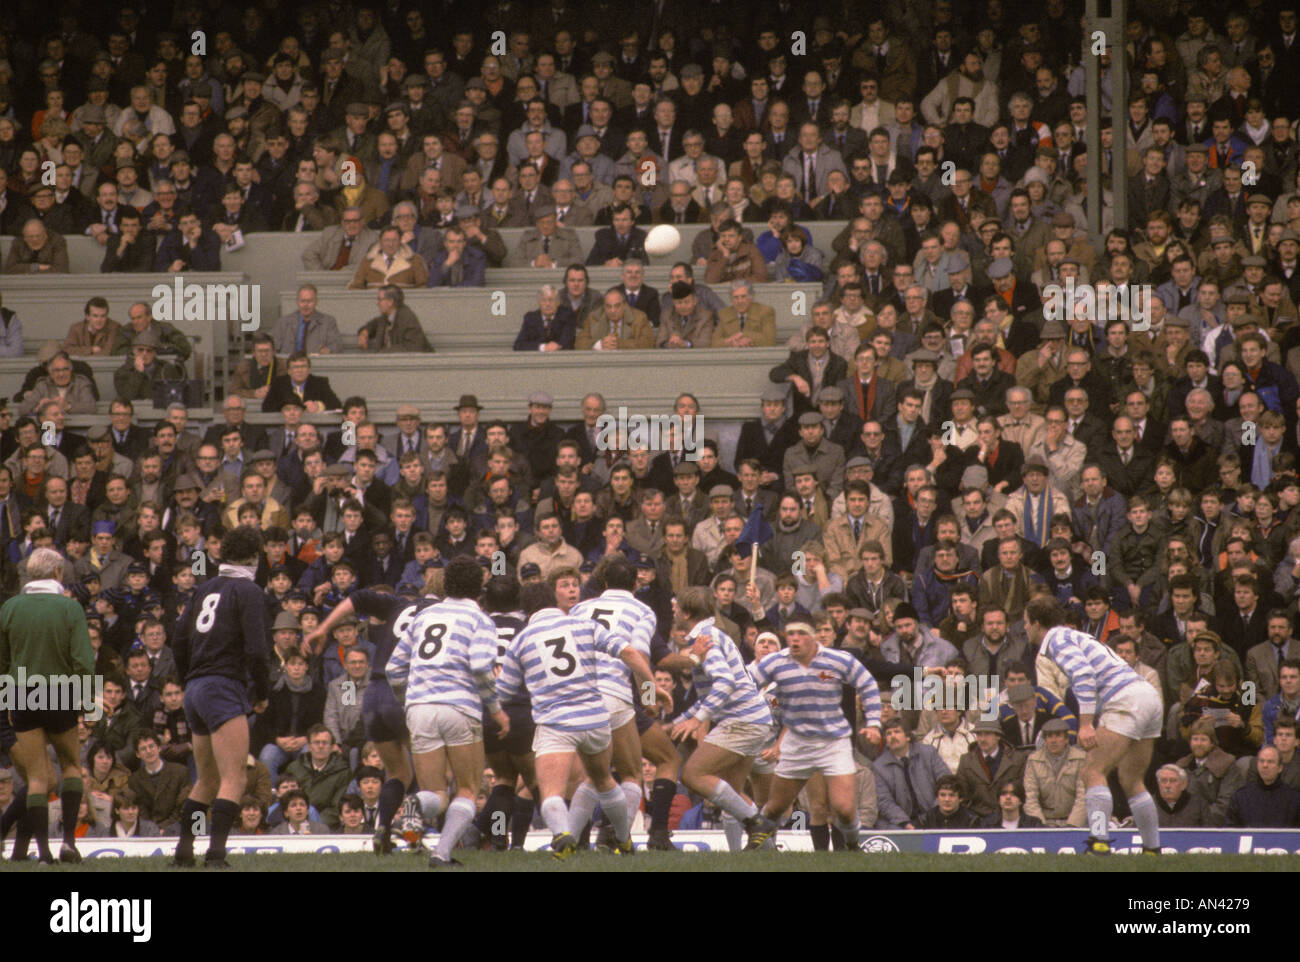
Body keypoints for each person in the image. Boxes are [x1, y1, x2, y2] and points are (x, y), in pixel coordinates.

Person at [498, 579, 659, 859]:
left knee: (551, 793)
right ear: (553, 600)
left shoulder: (521, 641)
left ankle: (562, 836)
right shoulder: (584, 624)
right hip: (595, 718)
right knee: (604, 780)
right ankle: (624, 839)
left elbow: (504, 692)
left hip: (556, 724)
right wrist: (649, 692)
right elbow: (630, 653)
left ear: (525, 611)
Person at [385, 557, 507, 868]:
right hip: (459, 708)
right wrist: (495, 710)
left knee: (436, 794)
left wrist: (408, 701)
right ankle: (441, 852)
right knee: (467, 787)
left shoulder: (424, 616)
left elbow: (393, 668)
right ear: (479, 586)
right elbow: (481, 667)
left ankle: (414, 808)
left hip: (420, 708)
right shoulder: (480, 620)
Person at [1024, 596, 1164, 854]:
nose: (1025, 629)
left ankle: (1098, 842)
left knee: (1092, 770)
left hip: (1125, 697)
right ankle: (1152, 850)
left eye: (1025, 622)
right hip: (1147, 696)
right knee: (1132, 780)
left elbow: (1084, 676)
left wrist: (1085, 724)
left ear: (1035, 622)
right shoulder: (1072, 635)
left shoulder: (1055, 639)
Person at [305, 586, 438, 853]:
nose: (354, 665)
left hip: (374, 695)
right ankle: (413, 838)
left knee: (399, 772)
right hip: (401, 691)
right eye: (351, 662)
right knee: (431, 777)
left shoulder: (399, 605)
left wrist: (322, 628)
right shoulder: (442, 613)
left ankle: (382, 830)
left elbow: (359, 597)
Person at [171, 525, 270, 868]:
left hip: (195, 690)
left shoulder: (203, 588)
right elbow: (258, 649)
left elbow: (179, 639)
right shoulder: (250, 591)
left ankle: (184, 851)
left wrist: (187, 678)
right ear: (254, 557)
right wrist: (261, 690)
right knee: (234, 778)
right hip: (224, 686)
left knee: (206, 779)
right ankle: (215, 854)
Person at [742, 621, 882, 850]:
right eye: (791, 634)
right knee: (775, 807)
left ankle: (852, 843)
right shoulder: (777, 662)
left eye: (802, 633)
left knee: (844, 809)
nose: (795, 639)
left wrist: (874, 723)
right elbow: (744, 684)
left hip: (833, 742)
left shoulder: (839, 660)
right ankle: (754, 845)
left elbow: (867, 684)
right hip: (797, 743)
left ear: (814, 636)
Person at [658, 585, 777, 850]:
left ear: (687, 612)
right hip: (754, 720)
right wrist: (677, 722)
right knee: (731, 793)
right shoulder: (713, 634)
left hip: (742, 721)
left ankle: (758, 823)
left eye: (676, 606)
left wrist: (698, 719)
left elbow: (724, 683)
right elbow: (711, 692)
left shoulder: (705, 638)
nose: (673, 610)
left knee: (692, 774)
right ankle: (762, 855)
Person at [0, 547, 95, 863]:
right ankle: (68, 842)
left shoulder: (10, 607)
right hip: (61, 691)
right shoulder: (70, 609)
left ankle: (42, 854)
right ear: (58, 573)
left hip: (22, 693)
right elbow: (83, 661)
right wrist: (86, 700)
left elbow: (2, 661)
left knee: (37, 777)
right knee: (71, 766)